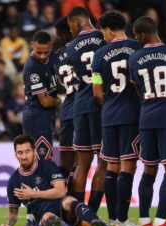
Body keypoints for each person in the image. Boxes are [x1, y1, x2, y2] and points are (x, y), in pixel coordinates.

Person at [129, 16, 166, 226]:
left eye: (136, 36)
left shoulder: (135, 58)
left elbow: (139, 92)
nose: (137, 40)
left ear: (143, 34)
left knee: (149, 169)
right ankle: (161, 221)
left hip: (146, 118)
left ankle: (144, 221)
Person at [91, 11, 141, 226]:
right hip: (131, 114)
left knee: (112, 165)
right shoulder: (138, 48)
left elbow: (97, 92)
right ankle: (122, 218)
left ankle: (113, 218)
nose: (104, 36)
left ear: (109, 29)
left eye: (103, 32)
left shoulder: (99, 55)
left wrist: (109, 103)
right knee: (128, 165)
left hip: (108, 115)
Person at [0, 134, 110, 226]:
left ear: (34, 152)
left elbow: (61, 191)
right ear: (15, 154)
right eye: (20, 152)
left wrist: (33, 194)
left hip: (60, 205)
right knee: (48, 218)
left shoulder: (47, 166)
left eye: (27, 151)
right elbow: (13, 212)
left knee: (69, 201)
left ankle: (96, 222)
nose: (24, 156)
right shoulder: (14, 181)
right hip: (41, 214)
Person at [66, 6, 106, 213]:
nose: (70, 30)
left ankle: (78, 214)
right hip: (101, 106)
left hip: (80, 106)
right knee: (103, 162)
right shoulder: (104, 37)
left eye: (69, 26)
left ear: (75, 22)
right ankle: (91, 214)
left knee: (81, 164)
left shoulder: (71, 47)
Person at [22, 30, 59, 161]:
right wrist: (62, 100)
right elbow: (44, 101)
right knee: (42, 161)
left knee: (45, 159)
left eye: (46, 52)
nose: (43, 56)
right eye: (39, 52)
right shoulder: (32, 67)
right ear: (32, 45)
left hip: (47, 115)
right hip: (36, 116)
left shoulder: (54, 57)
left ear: (51, 46)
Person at [53, 16, 77, 194]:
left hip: (67, 108)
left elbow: (58, 85)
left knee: (65, 160)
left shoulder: (56, 56)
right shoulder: (82, 49)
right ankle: (77, 205)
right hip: (85, 106)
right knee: (83, 162)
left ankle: (63, 199)